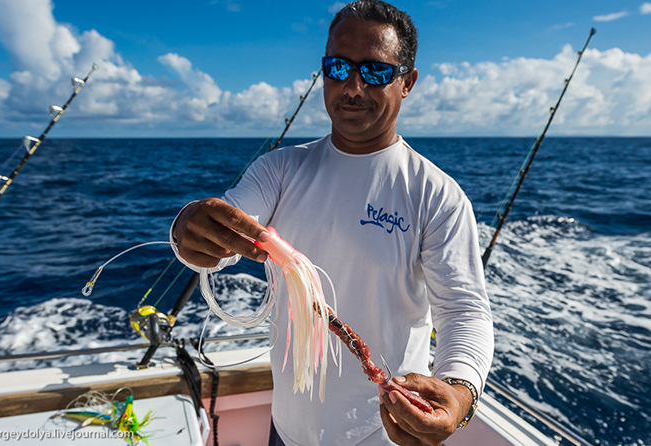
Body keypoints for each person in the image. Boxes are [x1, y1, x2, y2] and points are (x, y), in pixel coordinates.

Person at [171, 1, 494, 445]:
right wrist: (188, 228)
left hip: (384, 436)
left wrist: (458, 397)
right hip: (287, 430)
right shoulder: (278, 170)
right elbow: (225, 229)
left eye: (376, 72)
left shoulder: (436, 195)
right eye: (338, 67)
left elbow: (464, 311)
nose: (353, 87)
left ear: (408, 83)